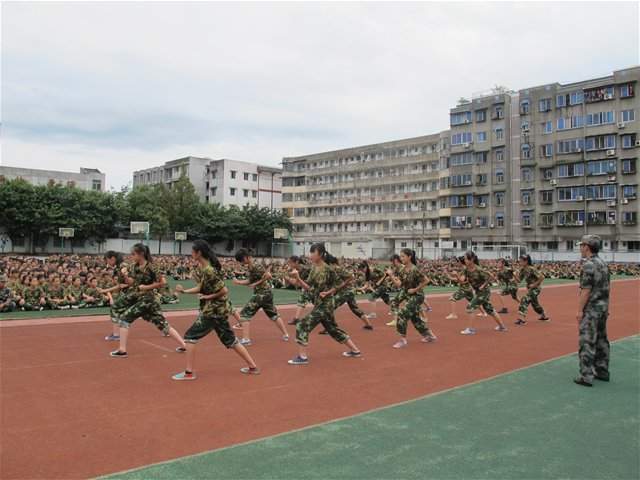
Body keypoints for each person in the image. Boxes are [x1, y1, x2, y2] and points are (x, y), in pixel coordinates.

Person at [172, 240, 260, 380]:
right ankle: (253, 366)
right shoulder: (206, 269)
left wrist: (207, 296)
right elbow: (201, 287)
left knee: (190, 336)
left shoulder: (209, 270)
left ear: (199, 253)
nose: (191, 254)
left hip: (213, 311)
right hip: (219, 310)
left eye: (192, 251)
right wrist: (185, 291)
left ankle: (189, 373)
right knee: (231, 340)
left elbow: (223, 290)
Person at [287, 243, 362, 364]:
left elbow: (339, 283)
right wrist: (298, 279)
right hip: (319, 304)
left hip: (325, 305)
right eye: (310, 253)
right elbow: (308, 287)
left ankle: (302, 357)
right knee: (333, 329)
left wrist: (329, 292)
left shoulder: (328, 269)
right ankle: (355, 351)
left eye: (313, 253)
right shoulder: (313, 268)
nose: (311, 255)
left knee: (302, 325)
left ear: (321, 254)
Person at [109, 243, 186, 358]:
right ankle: (184, 345)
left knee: (125, 318)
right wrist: (125, 276)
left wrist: (146, 287)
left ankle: (122, 349)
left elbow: (162, 282)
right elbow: (131, 283)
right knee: (162, 324)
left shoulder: (151, 267)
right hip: (147, 300)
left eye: (133, 254)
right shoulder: (135, 267)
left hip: (148, 299)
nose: (132, 256)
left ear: (141, 254)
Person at [232, 248, 289, 346]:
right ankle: (286, 334)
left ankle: (246, 339)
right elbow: (250, 281)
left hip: (262, 293)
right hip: (266, 293)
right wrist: (239, 282)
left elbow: (268, 275)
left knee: (245, 313)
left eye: (242, 260)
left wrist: (256, 284)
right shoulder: (251, 266)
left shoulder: (255, 265)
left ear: (246, 257)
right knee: (273, 314)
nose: (242, 263)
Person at [574, 235, 610, 387]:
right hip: (603, 307)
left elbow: (586, 290)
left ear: (586, 247)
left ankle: (586, 376)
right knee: (601, 340)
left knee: (587, 341)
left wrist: (579, 310)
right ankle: (602, 371)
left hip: (592, 309)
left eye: (581, 245)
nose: (580, 248)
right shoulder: (603, 263)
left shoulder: (589, 265)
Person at [386, 249, 437, 348]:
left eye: (403, 256)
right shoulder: (403, 269)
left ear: (409, 257)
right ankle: (430, 336)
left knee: (402, 314)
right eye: (400, 257)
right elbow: (400, 285)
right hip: (410, 296)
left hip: (417, 296)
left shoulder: (414, 269)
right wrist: (391, 276)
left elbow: (426, 280)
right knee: (415, 318)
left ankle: (402, 340)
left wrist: (414, 290)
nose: (401, 258)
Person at [318, 256, 372, 334]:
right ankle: (368, 325)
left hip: (347, 291)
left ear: (331, 263)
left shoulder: (338, 268)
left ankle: (330, 328)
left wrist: (344, 283)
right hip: (347, 291)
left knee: (330, 306)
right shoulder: (333, 270)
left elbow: (352, 276)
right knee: (355, 309)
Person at [459, 251, 507, 335]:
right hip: (479, 292)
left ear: (472, 259)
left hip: (484, 292)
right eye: (465, 259)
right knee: (489, 309)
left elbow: (490, 276)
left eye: (467, 259)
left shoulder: (479, 269)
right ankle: (502, 326)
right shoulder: (466, 269)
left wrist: (484, 285)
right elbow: (462, 281)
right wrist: (454, 276)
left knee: (470, 307)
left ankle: (471, 329)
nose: (465, 261)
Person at [99, 251, 129, 341]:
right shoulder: (118, 267)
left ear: (112, 258)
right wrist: (104, 290)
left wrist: (127, 285)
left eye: (107, 260)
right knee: (149, 313)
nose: (107, 263)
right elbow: (119, 285)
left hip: (134, 292)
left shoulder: (122, 266)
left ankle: (117, 335)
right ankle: (165, 328)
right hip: (130, 292)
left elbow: (135, 279)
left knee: (115, 308)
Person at [514, 254, 550, 325]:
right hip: (530, 289)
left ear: (526, 261)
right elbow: (519, 281)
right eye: (519, 261)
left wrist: (534, 284)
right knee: (535, 304)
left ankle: (522, 319)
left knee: (524, 299)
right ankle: (545, 316)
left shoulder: (531, 269)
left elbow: (542, 277)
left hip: (536, 289)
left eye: (521, 261)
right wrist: (515, 275)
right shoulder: (522, 270)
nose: (519, 263)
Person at [286, 256, 314, 326]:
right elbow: (297, 284)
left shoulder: (305, 268)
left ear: (296, 263)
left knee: (320, 307)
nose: (289, 265)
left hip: (317, 287)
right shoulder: (296, 270)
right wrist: (289, 279)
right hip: (310, 288)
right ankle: (296, 319)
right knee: (303, 299)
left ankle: (296, 319)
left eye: (291, 263)